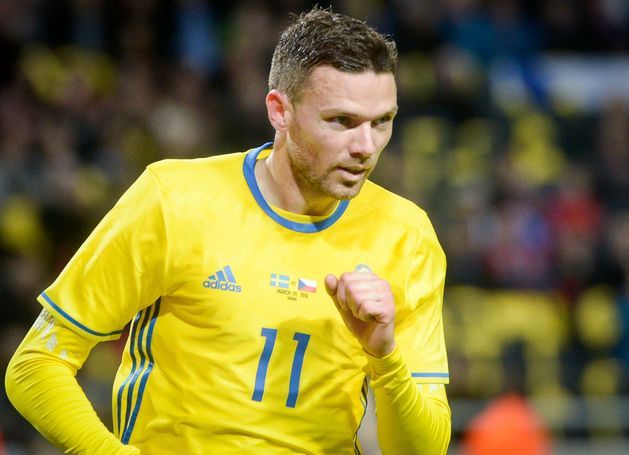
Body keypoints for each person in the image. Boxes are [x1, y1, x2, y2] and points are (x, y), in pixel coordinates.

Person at [4, 7, 451, 454]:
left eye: (382, 122)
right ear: (280, 111)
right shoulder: (174, 199)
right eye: (341, 121)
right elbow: (36, 365)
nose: (365, 147)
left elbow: (421, 451)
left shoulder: (407, 237)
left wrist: (386, 358)